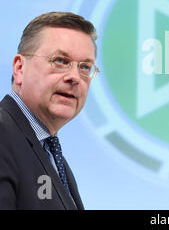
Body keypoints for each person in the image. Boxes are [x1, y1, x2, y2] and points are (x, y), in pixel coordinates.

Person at [0, 12, 99, 210]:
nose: (75, 77)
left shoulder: (51, 153)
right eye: (60, 61)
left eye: (85, 67)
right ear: (19, 68)